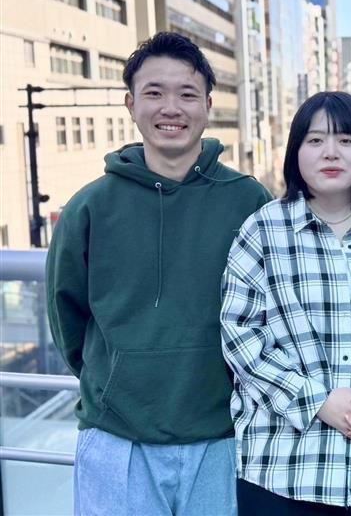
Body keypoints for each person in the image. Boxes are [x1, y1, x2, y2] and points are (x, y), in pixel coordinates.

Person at [46, 32, 271, 515]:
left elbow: (275, 311)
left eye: (187, 94)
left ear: (208, 106)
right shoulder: (89, 207)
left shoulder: (250, 201)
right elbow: (67, 316)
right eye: (154, 93)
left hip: (225, 435)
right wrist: (116, 378)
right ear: (131, 104)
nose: (171, 108)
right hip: (116, 437)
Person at [220, 91, 351, 516]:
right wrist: (317, 402)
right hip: (280, 471)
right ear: (295, 152)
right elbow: (241, 338)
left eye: (346, 140)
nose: (331, 152)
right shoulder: (263, 230)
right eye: (315, 140)